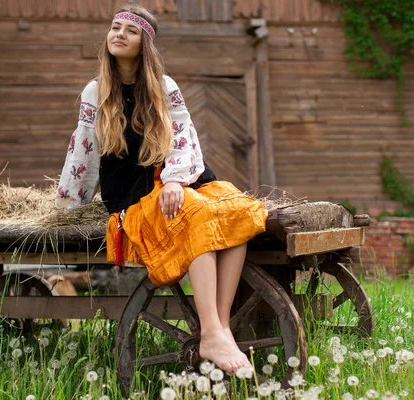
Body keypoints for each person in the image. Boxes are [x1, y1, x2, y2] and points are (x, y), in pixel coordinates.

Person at [55, 4, 268, 373]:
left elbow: (183, 137)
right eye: (115, 27)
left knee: (240, 210)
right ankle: (214, 332)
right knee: (195, 213)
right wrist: (68, 207)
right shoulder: (96, 92)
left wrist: (173, 179)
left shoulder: (163, 86)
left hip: (176, 179)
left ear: (145, 43)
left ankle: (217, 329)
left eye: (130, 31)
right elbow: (83, 152)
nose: (119, 34)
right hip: (133, 192)